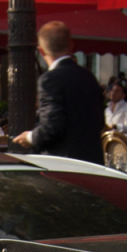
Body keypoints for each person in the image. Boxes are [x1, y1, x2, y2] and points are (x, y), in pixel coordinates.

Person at [14, 22, 103, 163]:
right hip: (94, 161)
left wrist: (30, 137)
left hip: (65, 164)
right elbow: (99, 120)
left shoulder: (49, 80)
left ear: (41, 51)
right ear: (71, 45)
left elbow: (52, 125)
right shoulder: (88, 76)